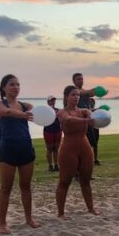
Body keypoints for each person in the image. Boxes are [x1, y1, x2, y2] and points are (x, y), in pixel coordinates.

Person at [0, 74, 40, 233]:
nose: (16, 87)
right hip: (8, 149)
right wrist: (22, 115)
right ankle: (2, 223)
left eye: (18, 85)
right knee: (6, 187)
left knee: (26, 186)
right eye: (12, 84)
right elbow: (6, 112)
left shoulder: (26, 105)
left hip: (26, 147)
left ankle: (29, 218)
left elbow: (38, 112)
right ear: (4, 88)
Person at [55, 85, 99, 218]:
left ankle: (91, 208)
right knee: (65, 181)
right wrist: (86, 120)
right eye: (73, 95)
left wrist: (91, 116)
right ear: (66, 97)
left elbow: (91, 114)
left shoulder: (84, 111)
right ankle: (61, 212)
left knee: (85, 180)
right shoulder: (62, 112)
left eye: (78, 95)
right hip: (69, 148)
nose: (76, 97)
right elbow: (67, 119)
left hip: (84, 146)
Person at [72, 72, 101, 166]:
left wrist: (94, 110)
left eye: (82, 79)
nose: (81, 80)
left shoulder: (85, 93)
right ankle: (77, 171)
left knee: (90, 145)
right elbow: (81, 92)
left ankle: (86, 167)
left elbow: (88, 108)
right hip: (78, 122)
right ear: (74, 81)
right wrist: (91, 91)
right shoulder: (73, 91)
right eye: (78, 79)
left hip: (88, 122)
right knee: (78, 147)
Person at [43, 95, 62, 172]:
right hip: (48, 131)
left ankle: (56, 165)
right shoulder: (44, 110)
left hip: (57, 130)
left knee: (56, 149)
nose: (53, 101)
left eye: (54, 100)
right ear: (48, 102)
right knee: (49, 149)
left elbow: (61, 119)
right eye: (51, 100)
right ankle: (50, 165)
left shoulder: (58, 110)